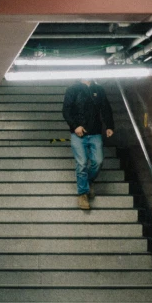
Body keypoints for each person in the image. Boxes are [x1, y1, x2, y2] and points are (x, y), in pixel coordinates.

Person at [62, 80, 114, 210]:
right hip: (78, 134)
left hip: (95, 132)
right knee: (82, 163)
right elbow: (66, 110)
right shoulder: (72, 89)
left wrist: (109, 126)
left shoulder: (99, 89)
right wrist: (75, 126)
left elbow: (106, 108)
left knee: (98, 161)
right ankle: (82, 194)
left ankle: (88, 182)